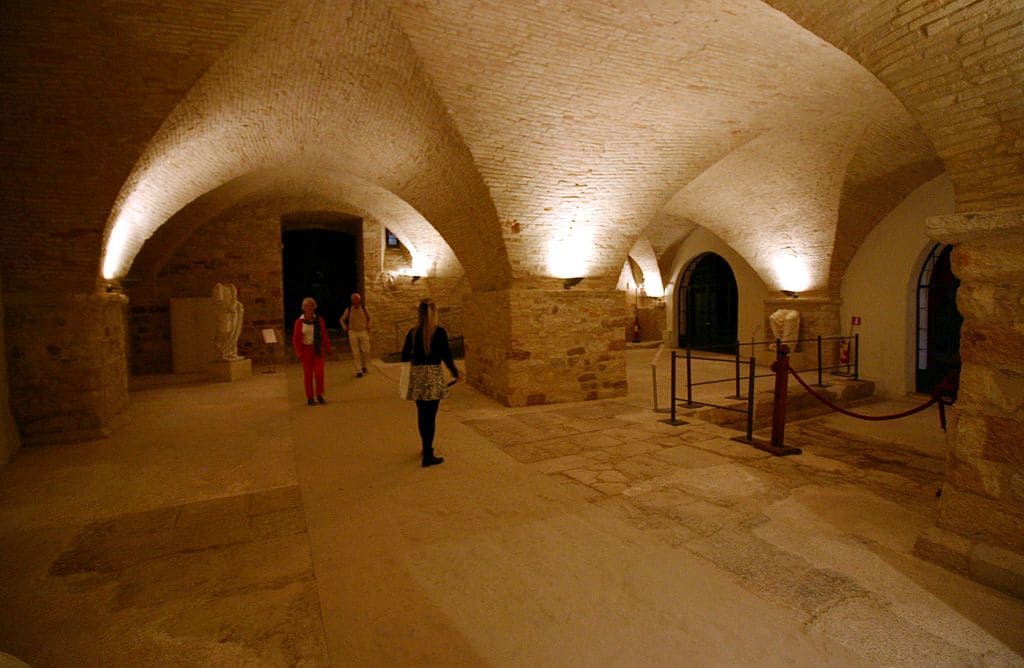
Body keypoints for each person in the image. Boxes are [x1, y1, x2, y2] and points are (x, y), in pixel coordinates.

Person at [401, 299, 461, 467]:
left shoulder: (412, 333)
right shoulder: (440, 332)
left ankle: (425, 448)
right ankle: (428, 454)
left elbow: (404, 356)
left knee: (422, 414)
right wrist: (455, 373)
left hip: (418, 375)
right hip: (433, 375)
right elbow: (446, 356)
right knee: (431, 416)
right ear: (434, 313)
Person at [291, 297, 332, 406]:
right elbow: (295, 340)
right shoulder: (299, 322)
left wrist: (328, 348)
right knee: (308, 375)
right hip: (306, 350)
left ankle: (319, 394)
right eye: (306, 306)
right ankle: (310, 397)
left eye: (311, 305)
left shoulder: (319, 320)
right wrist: (298, 353)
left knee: (319, 373)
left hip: (317, 349)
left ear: (314, 307)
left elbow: (324, 335)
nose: (309, 308)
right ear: (303, 308)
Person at [340, 292, 372, 378]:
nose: (356, 301)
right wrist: (345, 328)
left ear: (359, 300)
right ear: (352, 301)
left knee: (366, 350)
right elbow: (342, 319)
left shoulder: (364, 309)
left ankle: (364, 365)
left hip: (363, 331)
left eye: (357, 299)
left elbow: (370, 318)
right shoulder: (349, 310)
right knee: (356, 352)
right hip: (353, 332)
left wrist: (368, 326)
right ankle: (359, 370)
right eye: (354, 299)